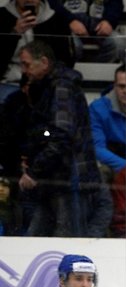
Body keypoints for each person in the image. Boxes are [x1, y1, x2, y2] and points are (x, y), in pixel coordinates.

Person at [0, 41, 102, 237]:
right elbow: (51, 131)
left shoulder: (61, 88)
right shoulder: (50, 87)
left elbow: (61, 135)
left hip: (69, 179)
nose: (23, 70)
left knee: (68, 240)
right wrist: (42, 134)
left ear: (44, 62)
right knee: (35, 238)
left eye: (26, 64)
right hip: (55, 179)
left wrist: (34, 171)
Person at [0, 0, 76, 102]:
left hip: (46, 83)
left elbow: (65, 61)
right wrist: (15, 33)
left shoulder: (56, 19)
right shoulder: (2, 17)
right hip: (9, 82)